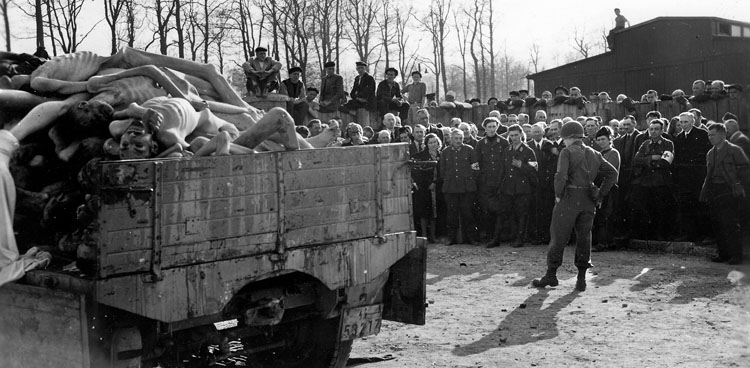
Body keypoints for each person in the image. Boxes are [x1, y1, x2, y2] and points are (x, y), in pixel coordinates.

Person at [532, 121, 617, 292]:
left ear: (569, 138)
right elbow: (613, 174)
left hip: (569, 198)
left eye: (564, 138)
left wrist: (557, 195)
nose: (563, 142)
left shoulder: (566, 152)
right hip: (587, 200)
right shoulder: (594, 153)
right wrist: (600, 194)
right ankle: (581, 279)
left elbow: (561, 176)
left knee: (558, 237)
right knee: (584, 238)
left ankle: (551, 274)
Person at [699, 123, 750, 265]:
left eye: (713, 135)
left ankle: (736, 255)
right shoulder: (710, 153)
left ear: (722, 135)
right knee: (717, 223)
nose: (710, 138)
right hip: (714, 190)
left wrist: (739, 188)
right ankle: (723, 253)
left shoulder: (734, 150)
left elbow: (745, 172)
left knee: (730, 223)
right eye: (708, 135)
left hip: (729, 190)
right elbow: (708, 176)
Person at [630, 120, 676, 241]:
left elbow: (666, 162)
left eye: (656, 129)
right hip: (646, 182)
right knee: (646, 208)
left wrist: (648, 163)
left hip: (661, 182)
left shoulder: (668, 144)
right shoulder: (645, 144)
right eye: (651, 129)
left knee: (661, 210)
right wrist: (651, 158)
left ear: (662, 131)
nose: (653, 131)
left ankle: (660, 235)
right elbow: (636, 160)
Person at [672, 112, 712, 241]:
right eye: (681, 122)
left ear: (692, 122)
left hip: (697, 176)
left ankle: (702, 234)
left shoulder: (701, 135)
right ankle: (689, 234)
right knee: (686, 206)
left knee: (699, 205)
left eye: (686, 122)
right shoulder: (679, 138)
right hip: (684, 178)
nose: (683, 125)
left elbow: (704, 155)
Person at [499, 124, 538, 248]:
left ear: (521, 135)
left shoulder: (528, 151)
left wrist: (521, 165)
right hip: (509, 188)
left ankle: (521, 238)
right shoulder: (507, 150)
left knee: (522, 215)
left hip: (523, 188)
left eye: (516, 135)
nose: (514, 138)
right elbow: (503, 170)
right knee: (512, 214)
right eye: (511, 135)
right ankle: (514, 236)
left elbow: (534, 170)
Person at [438, 128, 479, 245]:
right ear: (451, 139)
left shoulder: (469, 150)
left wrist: (469, 179)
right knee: (452, 213)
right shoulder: (445, 152)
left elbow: (475, 168)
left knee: (467, 212)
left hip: (466, 187)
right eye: (456, 138)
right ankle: (451, 238)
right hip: (450, 188)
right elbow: (442, 170)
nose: (458, 141)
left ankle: (472, 238)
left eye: (460, 138)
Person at [474, 117, 510, 247]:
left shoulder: (504, 142)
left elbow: (507, 162)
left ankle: (497, 238)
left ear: (497, 127)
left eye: (494, 126)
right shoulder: (480, 144)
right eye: (489, 127)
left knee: (500, 211)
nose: (491, 129)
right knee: (487, 211)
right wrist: (479, 179)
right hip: (485, 183)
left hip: (500, 182)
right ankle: (489, 236)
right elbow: (476, 163)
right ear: (485, 128)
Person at [592, 126, 621, 251]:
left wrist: (602, 192)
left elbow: (609, 173)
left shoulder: (613, 153)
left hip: (609, 187)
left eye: (603, 139)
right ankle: (604, 241)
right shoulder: (599, 154)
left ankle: (605, 243)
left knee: (606, 215)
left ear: (610, 139)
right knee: (600, 215)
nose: (601, 142)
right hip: (600, 186)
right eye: (598, 140)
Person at [412, 133, 442, 242]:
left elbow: (442, 172)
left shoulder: (441, 155)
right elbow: (417, 173)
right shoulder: (420, 156)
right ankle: (424, 235)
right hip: (424, 188)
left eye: (435, 142)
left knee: (435, 212)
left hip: (437, 187)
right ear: (426, 144)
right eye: (430, 142)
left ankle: (433, 235)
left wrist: (436, 182)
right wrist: (428, 183)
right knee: (424, 212)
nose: (433, 144)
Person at [528, 123, 555, 245]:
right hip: (533, 184)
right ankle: (536, 236)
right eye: (534, 132)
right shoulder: (528, 146)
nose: (537, 134)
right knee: (535, 210)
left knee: (547, 210)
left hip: (547, 184)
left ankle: (546, 236)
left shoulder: (549, 145)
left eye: (539, 132)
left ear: (543, 132)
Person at [340, 61, 376, 127]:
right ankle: (352, 113)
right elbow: (353, 92)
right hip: (358, 100)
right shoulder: (357, 78)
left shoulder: (369, 78)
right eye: (358, 68)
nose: (360, 70)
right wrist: (357, 97)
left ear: (365, 68)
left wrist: (362, 97)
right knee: (342, 107)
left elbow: (369, 91)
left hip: (367, 101)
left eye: (362, 68)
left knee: (362, 113)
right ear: (356, 69)